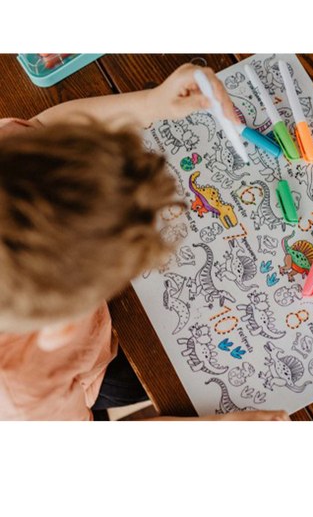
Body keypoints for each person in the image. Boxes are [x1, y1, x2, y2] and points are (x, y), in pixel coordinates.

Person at [0, 64, 291, 425]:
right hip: (92, 374)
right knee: (138, 385)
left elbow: (44, 129)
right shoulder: (24, 400)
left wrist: (153, 104)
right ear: (66, 324)